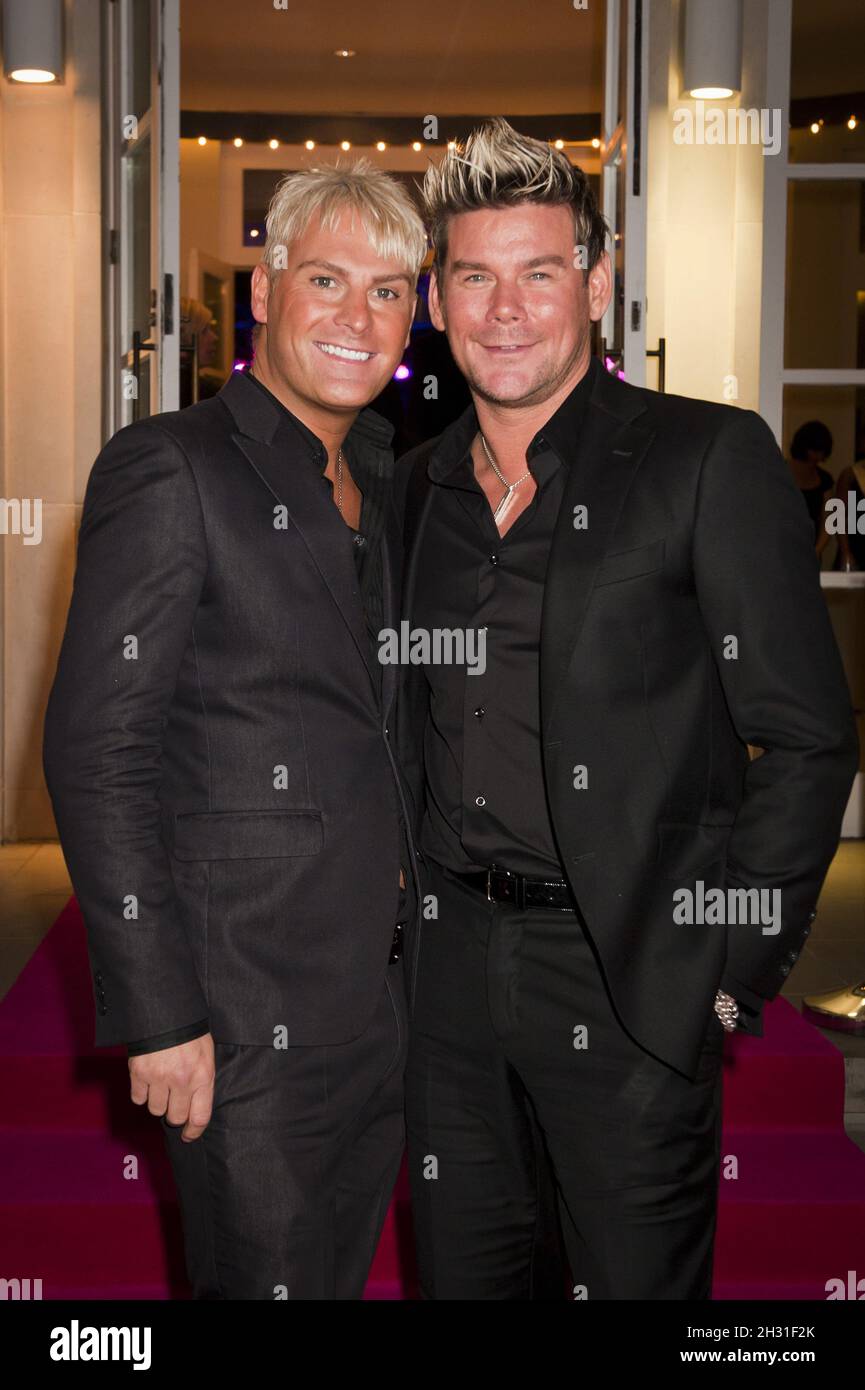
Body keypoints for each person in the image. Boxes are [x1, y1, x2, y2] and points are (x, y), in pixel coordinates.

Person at [393, 118, 858, 1300]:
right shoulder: (408, 492)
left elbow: (806, 737)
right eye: (475, 277)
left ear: (596, 284)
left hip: (629, 971)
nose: (506, 309)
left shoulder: (705, 458)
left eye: (539, 273)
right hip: (444, 984)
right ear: (439, 300)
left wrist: (731, 968)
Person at [43, 161, 427, 1299]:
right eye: (326, 279)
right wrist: (161, 1013)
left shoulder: (383, 477)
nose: (358, 316)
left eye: (389, 290)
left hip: (381, 993)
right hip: (240, 1010)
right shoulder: (172, 466)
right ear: (266, 291)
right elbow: (94, 753)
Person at [785, 419, 834, 552]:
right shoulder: (780, 472)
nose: (816, 456)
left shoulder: (824, 480)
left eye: (820, 451)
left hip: (810, 549)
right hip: (782, 547)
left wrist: (816, 551)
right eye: (814, 450)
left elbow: (829, 520)